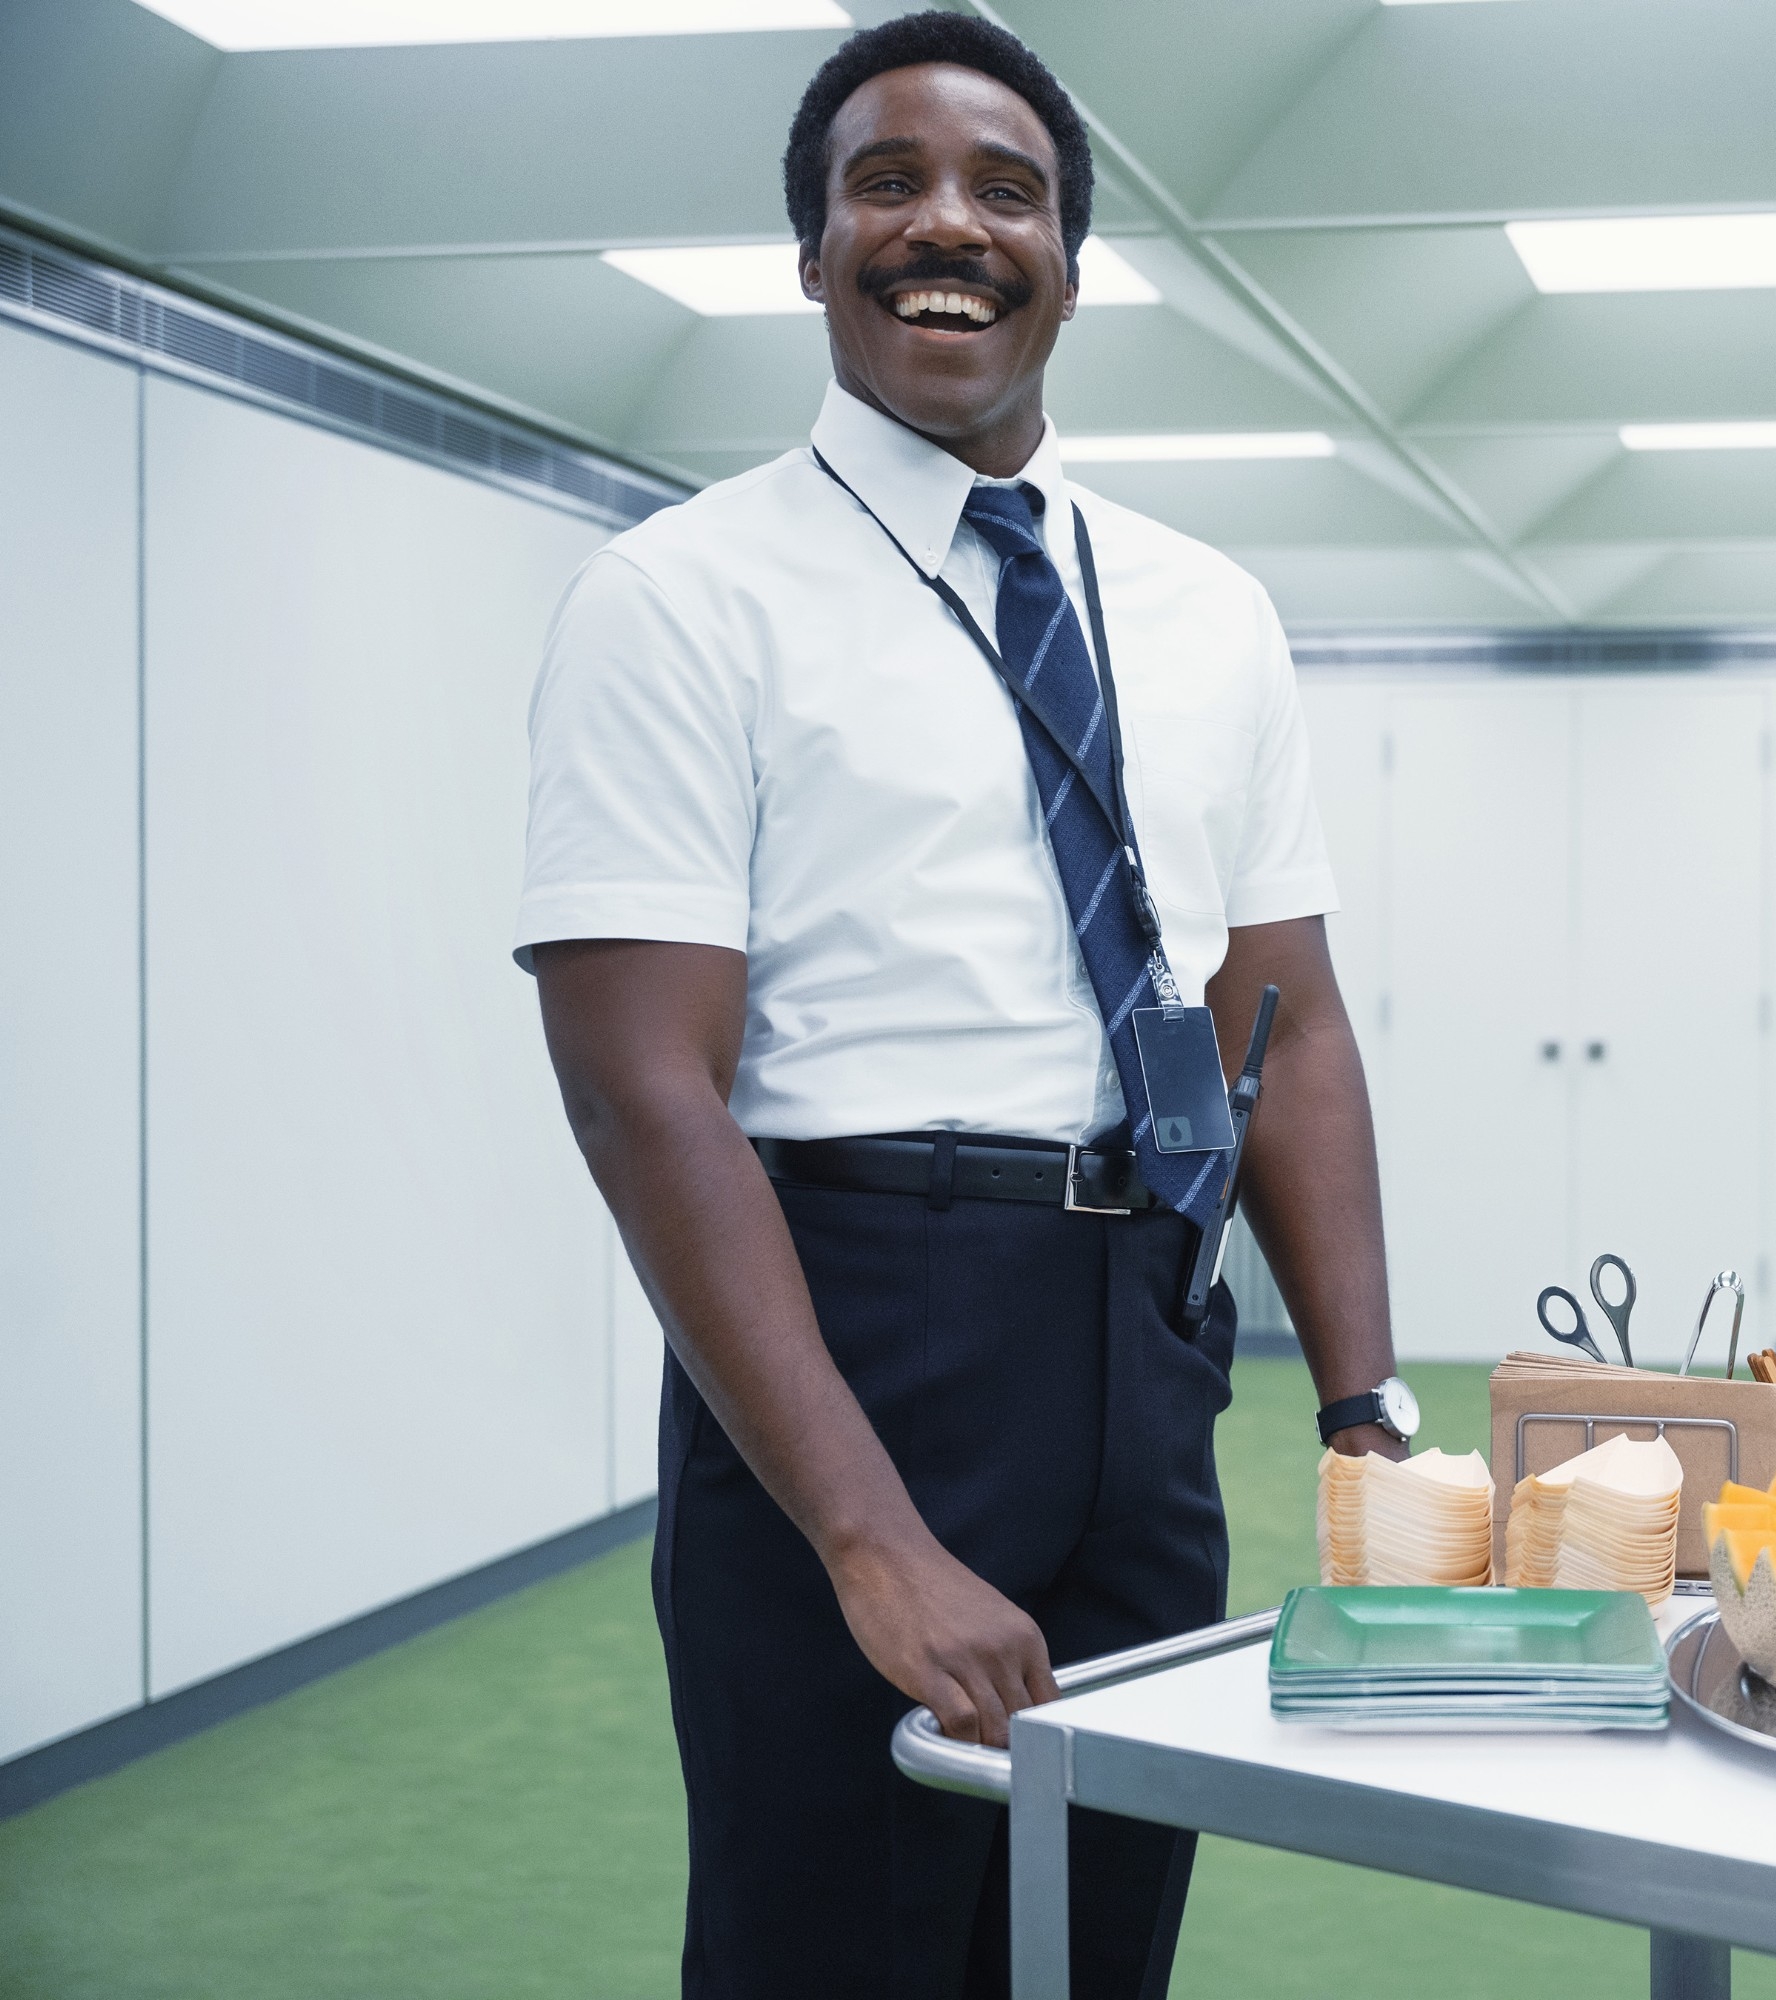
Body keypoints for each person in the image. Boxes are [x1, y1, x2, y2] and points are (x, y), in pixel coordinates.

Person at [514, 16, 1416, 1997]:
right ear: (816, 253)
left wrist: (1363, 1413)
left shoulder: (1204, 611)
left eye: (1006, 188)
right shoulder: (682, 597)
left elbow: (1296, 1025)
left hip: (1149, 1339)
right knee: (835, 1937)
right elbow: (643, 1087)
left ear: (1070, 267)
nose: (951, 222)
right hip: (856, 1324)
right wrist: (865, 1538)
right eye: (888, 182)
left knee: (1104, 1931)